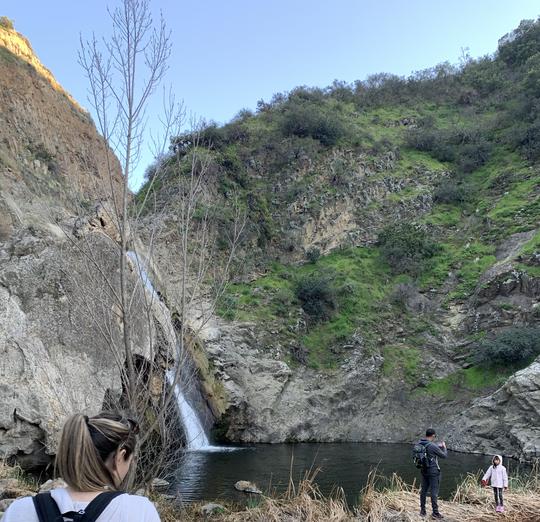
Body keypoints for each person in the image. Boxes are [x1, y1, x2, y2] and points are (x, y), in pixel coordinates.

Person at [3, 412, 161, 521]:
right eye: (130, 460)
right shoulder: (140, 512)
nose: (130, 465)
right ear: (120, 456)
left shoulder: (18, 511)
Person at [417, 428, 447, 519]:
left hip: (423, 471)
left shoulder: (419, 443)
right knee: (434, 492)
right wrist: (444, 447)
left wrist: (437, 447)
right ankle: (435, 513)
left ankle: (422, 511)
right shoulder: (432, 446)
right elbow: (444, 456)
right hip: (433, 472)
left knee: (423, 491)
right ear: (433, 435)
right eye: (435, 436)